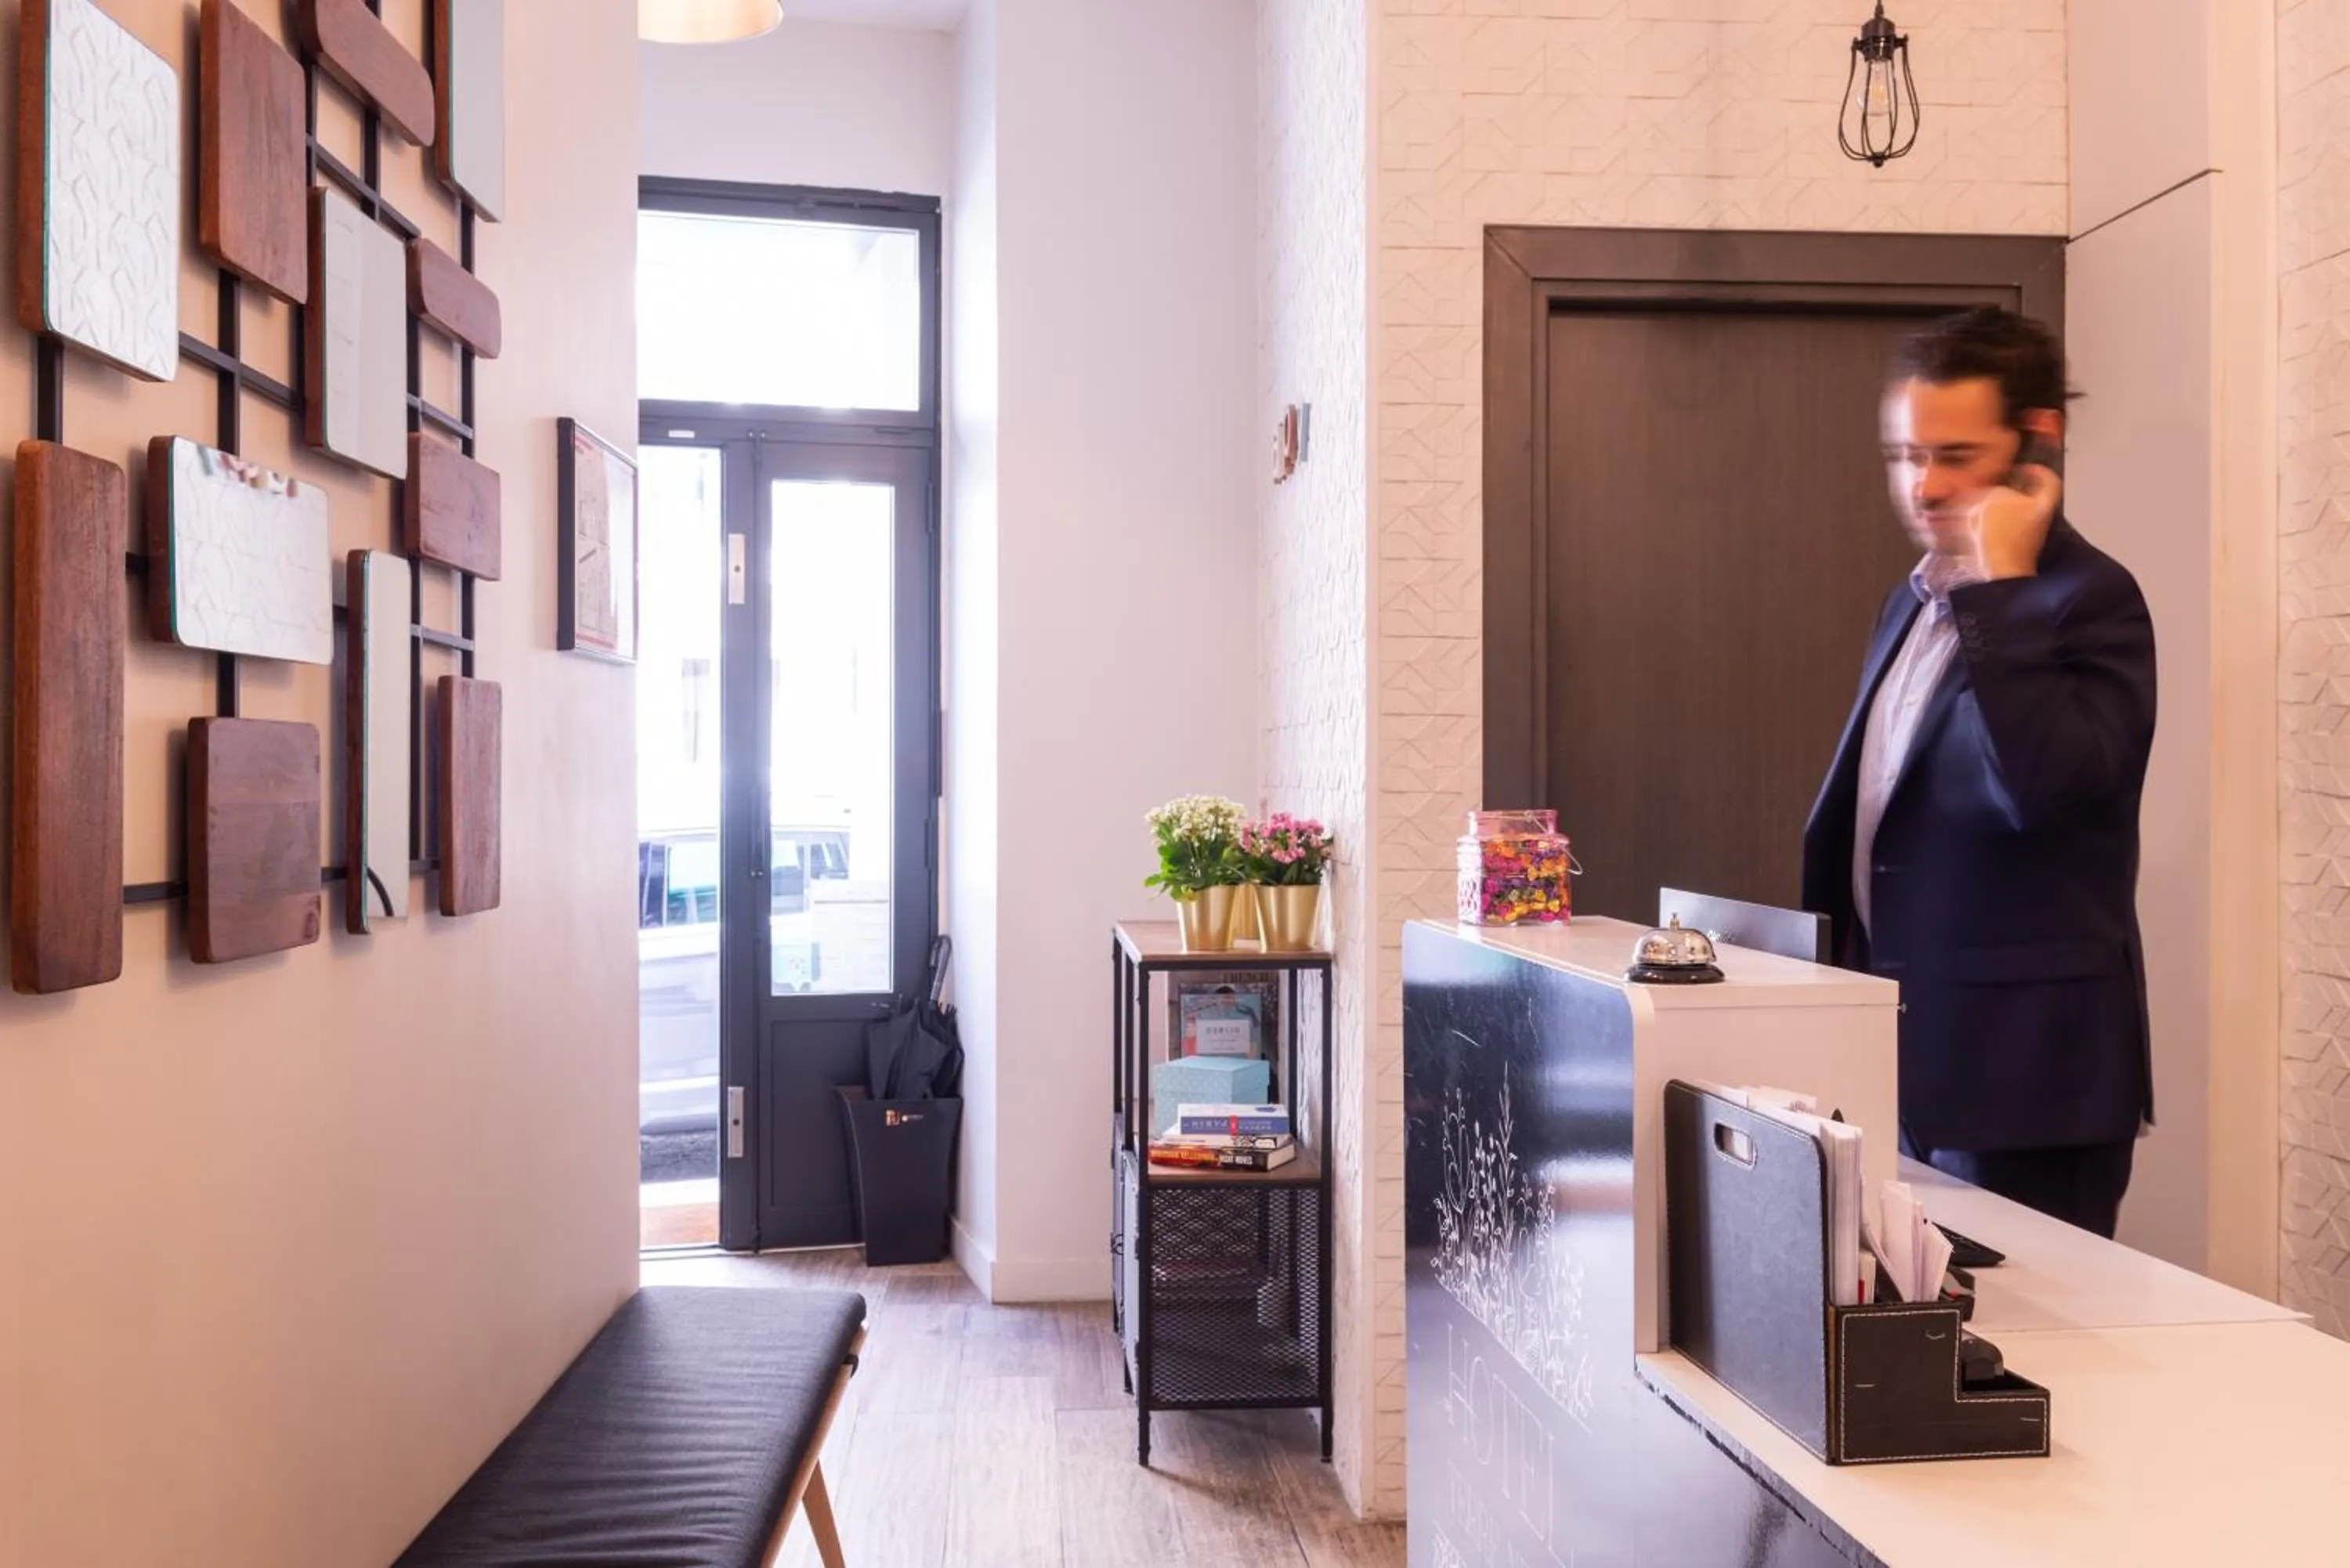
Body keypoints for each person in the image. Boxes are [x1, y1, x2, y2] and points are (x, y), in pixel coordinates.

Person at [1801, 308, 2157, 1239]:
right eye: (1904, 454)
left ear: (2039, 442)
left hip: (2025, 1086)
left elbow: (2037, 789)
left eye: (1955, 454)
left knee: (2041, 1371)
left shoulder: (2092, 601)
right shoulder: (1908, 602)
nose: (1925, 485)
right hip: (1900, 1066)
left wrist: (2002, 587)